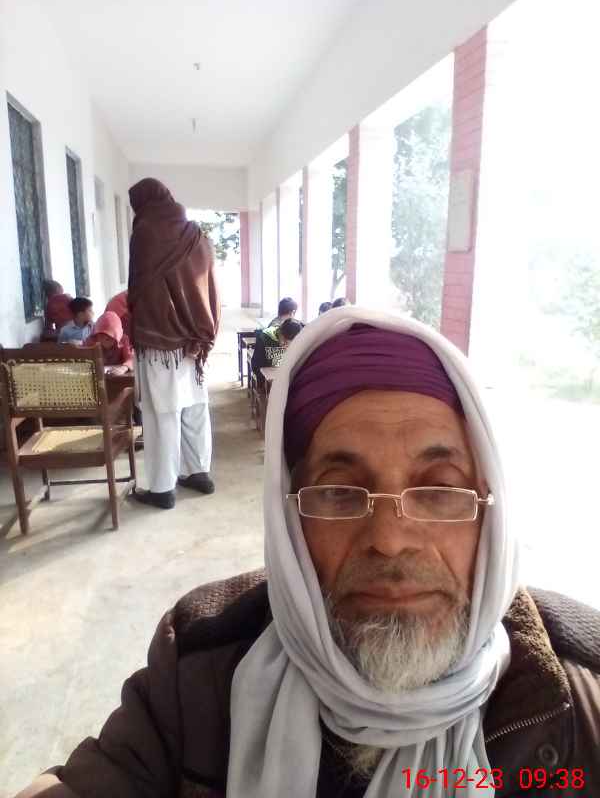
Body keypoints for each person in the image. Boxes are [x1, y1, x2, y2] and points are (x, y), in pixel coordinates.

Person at [13, 307, 600, 798]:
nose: (390, 538)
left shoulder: (580, 692)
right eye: (340, 493)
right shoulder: (201, 663)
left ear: (491, 510)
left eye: (439, 490)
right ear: (288, 518)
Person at [127, 178, 220, 511]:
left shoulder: (146, 233)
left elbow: (138, 289)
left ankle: (163, 489)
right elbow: (209, 287)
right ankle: (198, 473)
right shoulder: (196, 235)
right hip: (194, 340)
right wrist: (204, 329)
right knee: (195, 408)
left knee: (162, 414)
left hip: (159, 339)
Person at [251, 317, 302, 386]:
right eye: (284, 342)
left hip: (278, 370)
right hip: (262, 369)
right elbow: (265, 365)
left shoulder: (295, 337)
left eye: (288, 343)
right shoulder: (266, 337)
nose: (284, 345)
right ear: (280, 331)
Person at [85, 311, 133, 375]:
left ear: (117, 336)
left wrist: (123, 368)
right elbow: (82, 359)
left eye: (109, 337)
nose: (105, 338)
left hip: (118, 377)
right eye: (101, 335)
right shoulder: (90, 341)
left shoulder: (124, 340)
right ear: (96, 334)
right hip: (96, 377)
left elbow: (131, 359)